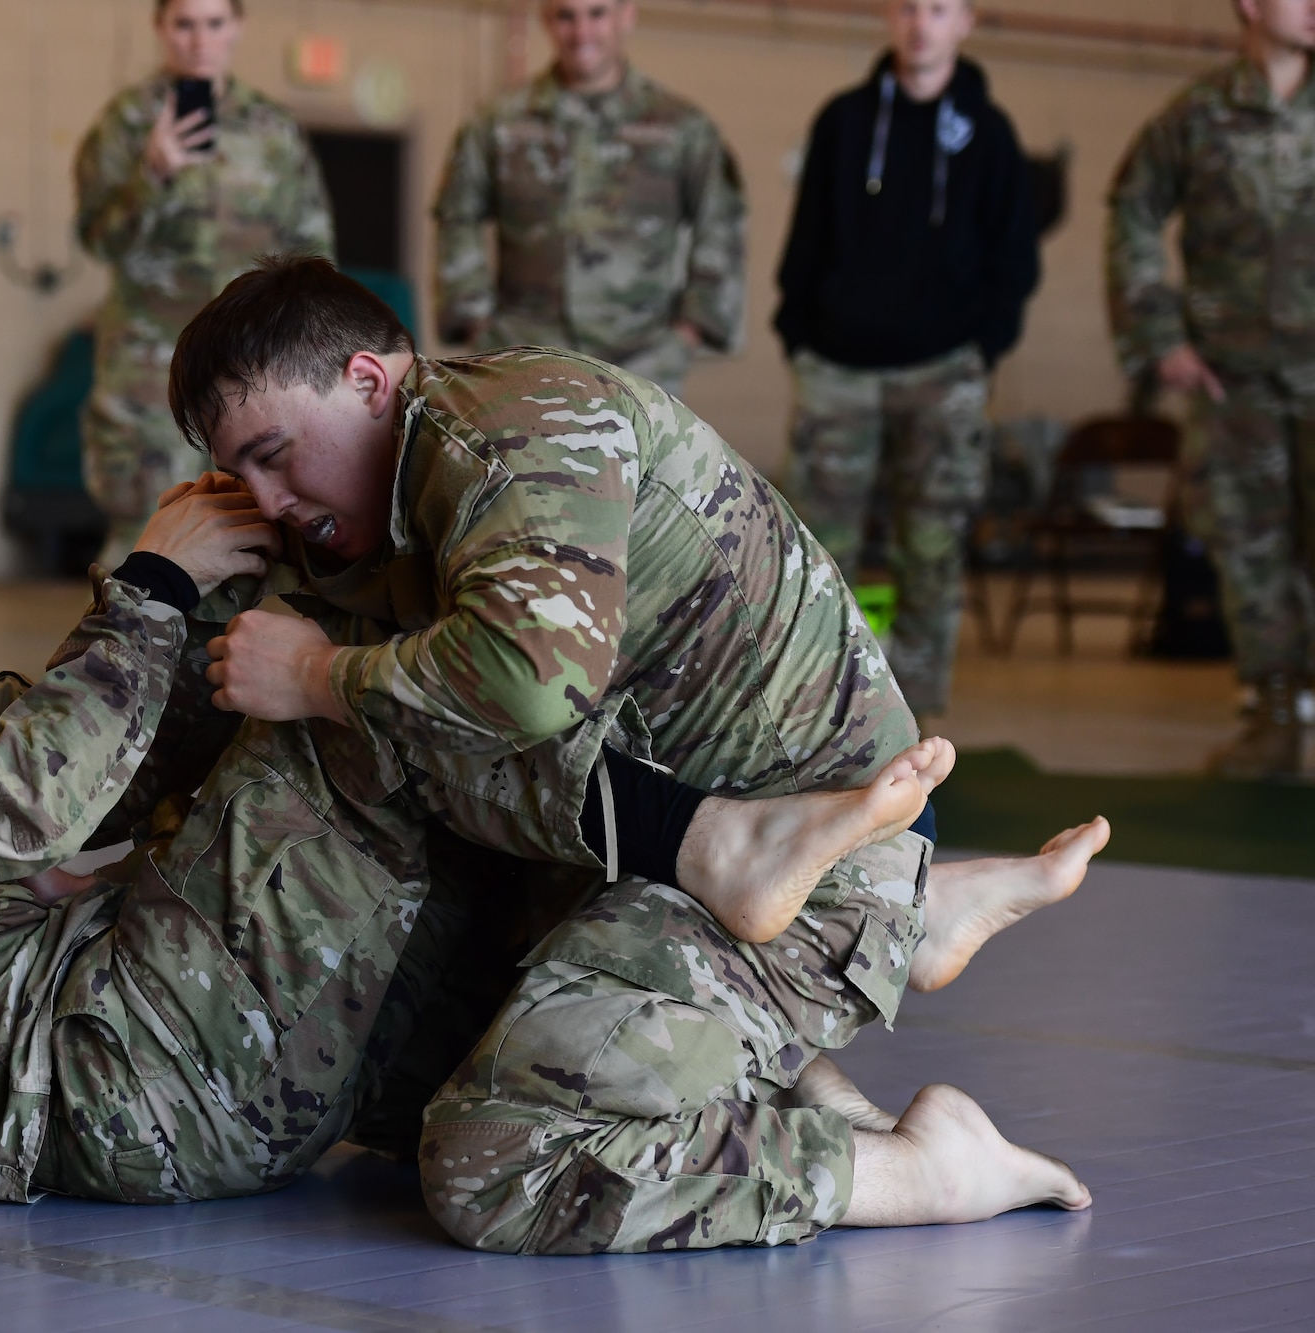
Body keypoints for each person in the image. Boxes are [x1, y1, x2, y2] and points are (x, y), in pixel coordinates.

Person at [0, 369, 1089, 1226]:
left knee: (293, 695)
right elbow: (28, 798)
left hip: (138, 1006)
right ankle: (717, 843)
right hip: (112, 1086)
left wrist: (214, 637)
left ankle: (846, 1009)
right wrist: (155, 587)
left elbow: (90, 775)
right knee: (343, 712)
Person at [170, 255, 1098, 1251]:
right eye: (239, 472)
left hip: (807, 845)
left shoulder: (511, 429)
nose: (262, 498)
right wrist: (161, 570)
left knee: (497, 1159)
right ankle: (850, 999)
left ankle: (921, 1167)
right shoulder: (361, 513)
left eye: (273, 453)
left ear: (367, 381)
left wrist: (316, 675)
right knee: (400, 1070)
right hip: (665, 852)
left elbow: (529, 680)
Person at [773, 0, 1038, 716]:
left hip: (943, 371)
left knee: (932, 546)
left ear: (966, 23)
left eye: (940, 9)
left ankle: (918, 719)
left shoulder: (989, 133)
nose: (922, 23)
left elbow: (1014, 258)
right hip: (838, 370)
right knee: (820, 552)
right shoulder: (845, 121)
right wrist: (799, 336)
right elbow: (805, 242)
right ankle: (825, 714)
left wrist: (983, 349)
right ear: (889, 18)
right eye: (908, 7)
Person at [1107, 0, 1315, 781]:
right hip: (1239, 382)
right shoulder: (1197, 114)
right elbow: (1130, 209)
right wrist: (1158, 337)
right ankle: (1271, 717)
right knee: (1252, 553)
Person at [73, 0, 333, 571]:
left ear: (236, 28)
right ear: (161, 28)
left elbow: (312, 245)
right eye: (184, 24)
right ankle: (124, 649)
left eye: (214, 24)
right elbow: (98, 238)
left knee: (252, 510)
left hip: (251, 356)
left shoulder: (272, 129)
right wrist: (152, 175)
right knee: (144, 514)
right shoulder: (126, 123)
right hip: (149, 354)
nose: (199, 40)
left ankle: (224, 653)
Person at [431, 0, 745, 398]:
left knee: (638, 463)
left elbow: (722, 220)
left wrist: (690, 332)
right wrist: (474, 319)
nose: (582, 33)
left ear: (626, 15)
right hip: (524, 354)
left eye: (597, 13)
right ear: (546, 19)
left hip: (643, 360)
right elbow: (457, 215)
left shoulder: (679, 127)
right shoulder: (500, 122)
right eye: (566, 16)